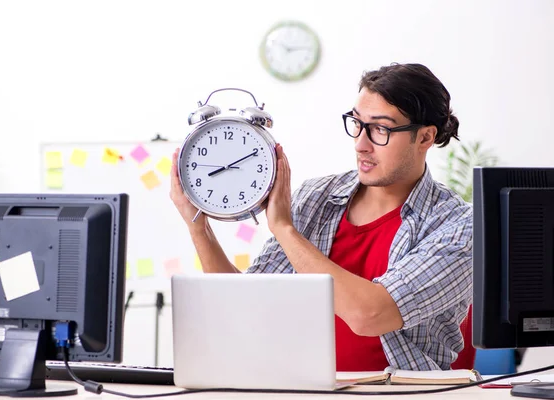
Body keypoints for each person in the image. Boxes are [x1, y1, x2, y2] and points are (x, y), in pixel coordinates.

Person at [170, 63, 472, 371]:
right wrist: (197, 226)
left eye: (380, 129)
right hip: (296, 386)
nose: (361, 145)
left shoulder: (458, 228)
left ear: (424, 137)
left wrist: (284, 228)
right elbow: (242, 306)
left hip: (399, 394)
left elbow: (370, 315)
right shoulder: (315, 198)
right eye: (357, 124)